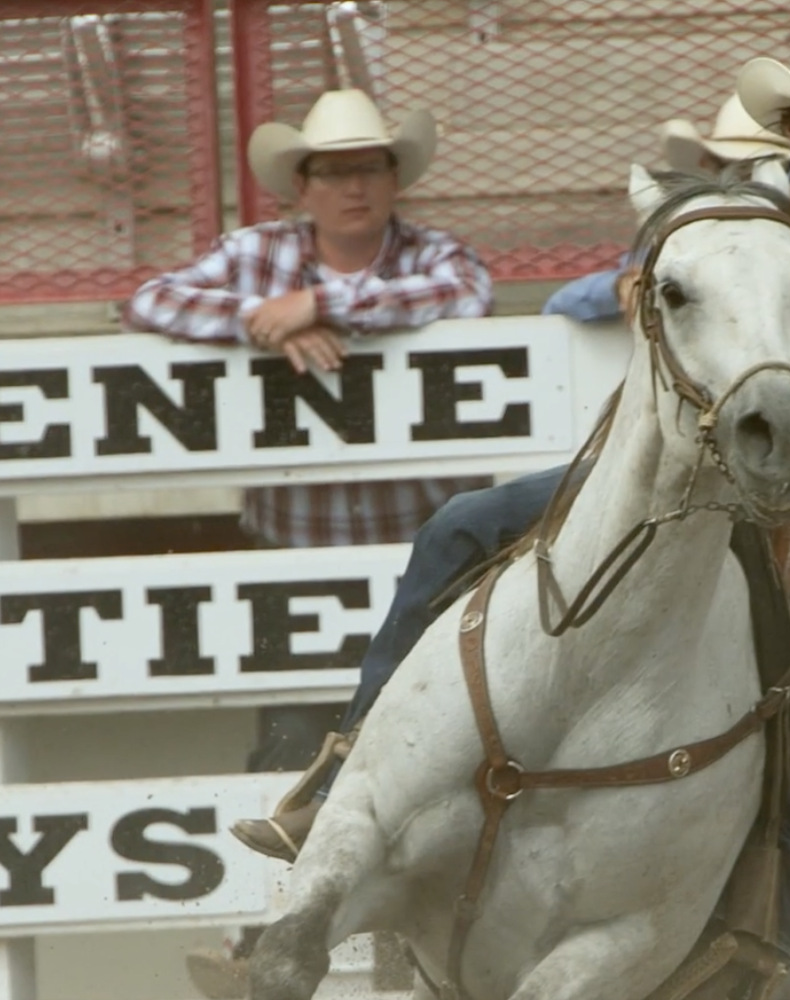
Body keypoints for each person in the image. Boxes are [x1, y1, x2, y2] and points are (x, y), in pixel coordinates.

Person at [231, 19, 790, 989]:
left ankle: (763, 930)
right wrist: (623, 284)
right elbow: (634, 289)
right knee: (458, 526)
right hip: (693, 465)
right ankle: (339, 777)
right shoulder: (741, 208)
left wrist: (778, 382)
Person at [122, 86, 492, 1000]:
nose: (353, 186)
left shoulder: (426, 252)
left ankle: (424, 944)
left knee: (430, 752)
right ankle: (264, 941)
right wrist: (268, 318)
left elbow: (467, 290)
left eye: (368, 167)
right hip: (297, 553)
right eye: (334, 170)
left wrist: (322, 302)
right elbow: (151, 299)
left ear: (392, 176)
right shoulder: (260, 256)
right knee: (289, 747)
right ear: (304, 184)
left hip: (419, 559)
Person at [543, 94, 790, 323]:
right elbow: (559, 308)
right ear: (707, 167)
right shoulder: (684, 239)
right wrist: (620, 286)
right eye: (731, 169)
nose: (744, 189)